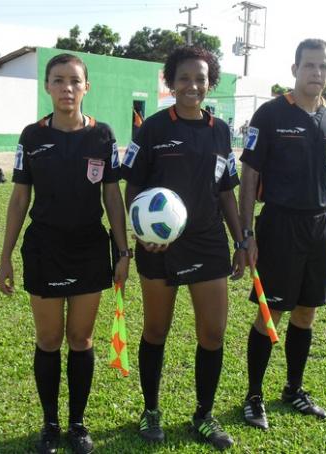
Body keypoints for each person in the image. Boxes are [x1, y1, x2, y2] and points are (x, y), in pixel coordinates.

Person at [0, 53, 130, 454]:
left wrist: (123, 251)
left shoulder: (103, 136)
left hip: (90, 248)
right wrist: (5, 256)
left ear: (86, 87)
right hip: (45, 248)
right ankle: (50, 425)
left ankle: (77, 424)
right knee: (50, 338)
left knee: (81, 337)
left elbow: (112, 195)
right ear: (47, 87)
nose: (67, 88)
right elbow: (20, 198)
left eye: (75, 81)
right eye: (58, 80)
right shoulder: (32, 136)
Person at [121, 46, 246, 451]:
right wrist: (143, 233)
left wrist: (241, 239)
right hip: (159, 247)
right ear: (170, 82)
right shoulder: (153, 129)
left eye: (201, 78)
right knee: (156, 330)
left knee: (213, 333)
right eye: (184, 78)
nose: (192, 85)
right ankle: (151, 410)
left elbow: (227, 192)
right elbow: (134, 187)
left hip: (208, 243)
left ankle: (203, 416)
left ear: (211, 83)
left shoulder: (220, 131)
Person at [238, 38, 326, 429]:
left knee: (307, 312)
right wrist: (247, 232)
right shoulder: (270, 114)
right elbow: (250, 173)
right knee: (271, 311)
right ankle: (253, 396)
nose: (316, 73)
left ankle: (293, 388)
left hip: (320, 226)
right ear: (294, 70)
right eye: (309, 66)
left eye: (323, 67)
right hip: (280, 225)